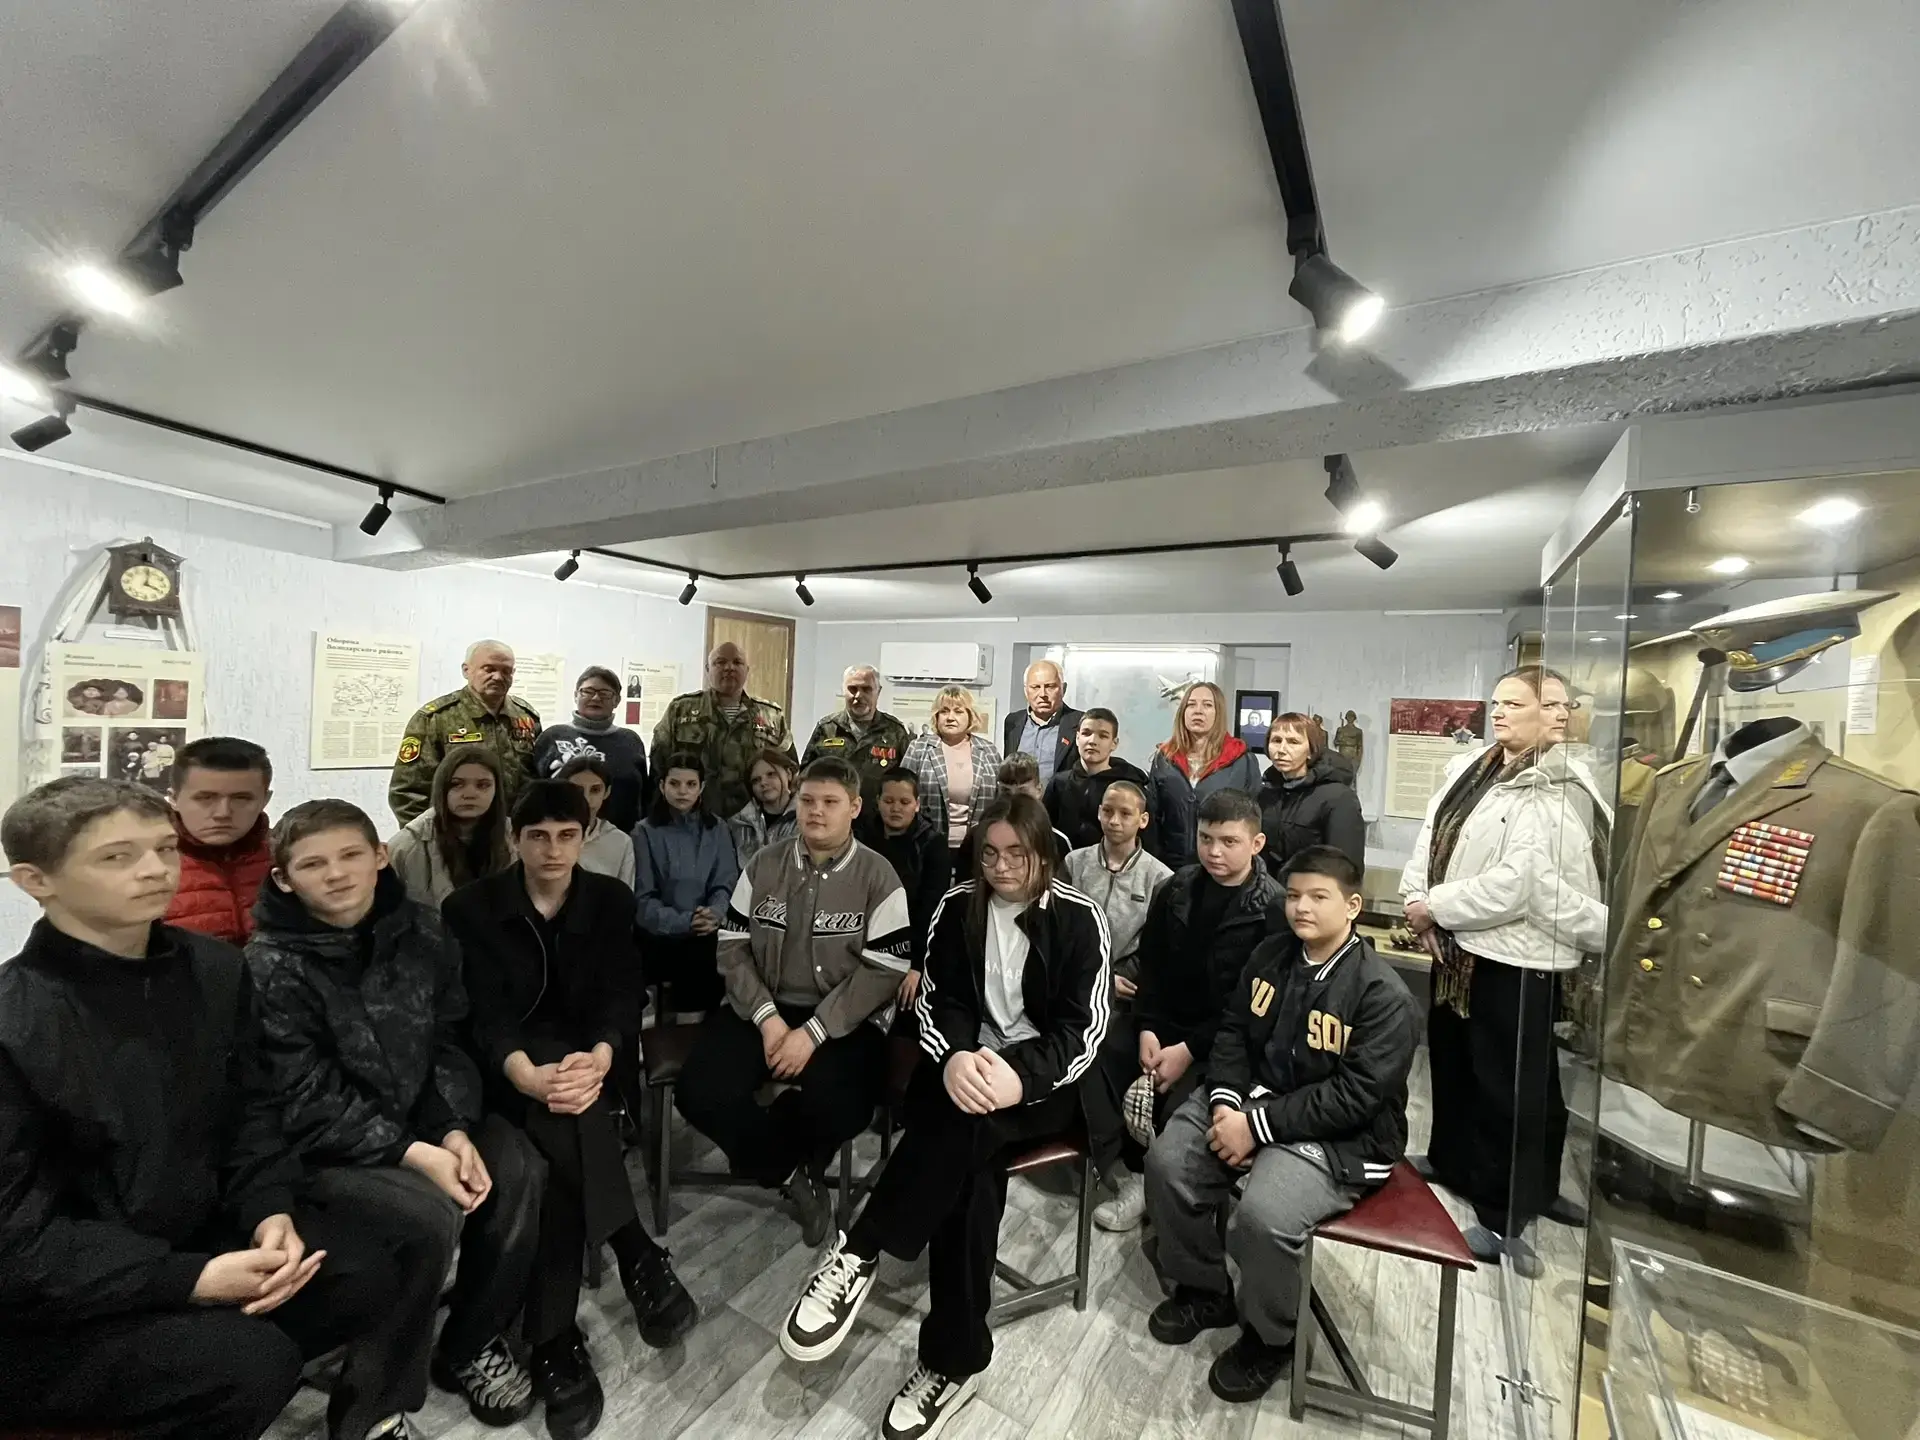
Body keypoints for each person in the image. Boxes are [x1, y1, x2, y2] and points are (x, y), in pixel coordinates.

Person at [0, 778, 435, 1440]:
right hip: (68, 1292)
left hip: (194, 1229)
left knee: (366, 1269)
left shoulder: (214, 970)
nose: (156, 869)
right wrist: (191, 1280)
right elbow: (19, 1243)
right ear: (36, 881)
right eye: (117, 857)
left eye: (163, 847)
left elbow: (251, 1110)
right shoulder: (17, 1021)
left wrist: (269, 1210)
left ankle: (350, 1411)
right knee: (251, 1365)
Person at [778, 794, 1110, 1440]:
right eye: (989, 854)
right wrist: (957, 1055)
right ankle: (953, 1363)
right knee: (970, 1175)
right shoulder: (958, 906)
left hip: (1045, 1081)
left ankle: (861, 1249)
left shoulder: (1080, 917)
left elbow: (1085, 1029)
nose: (1001, 867)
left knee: (967, 1129)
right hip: (963, 1065)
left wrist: (1017, 1076)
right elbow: (937, 1000)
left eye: (1017, 854)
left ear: (1044, 854)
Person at [246, 799, 545, 1427]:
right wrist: (413, 1153)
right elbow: (303, 1093)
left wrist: (451, 1129)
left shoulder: (424, 931)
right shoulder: (271, 965)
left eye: (351, 855)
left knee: (518, 1168)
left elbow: (449, 1038)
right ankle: (375, 1407)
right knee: (427, 1217)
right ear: (283, 878)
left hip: (426, 1117)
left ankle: (471, 1340)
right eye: (313, 864)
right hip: (329, 1147)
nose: (337, 874)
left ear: (381, 856)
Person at [443, 782, 695, 1438]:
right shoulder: (471, 908)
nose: (552, 850)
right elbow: (481, 1014)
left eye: (566, 836)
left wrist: (605, 1055)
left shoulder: (609, 900)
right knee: (567, 1124)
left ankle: (554, 1342)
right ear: (513, 838)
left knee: (563, 1144)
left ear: (586, 838)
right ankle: (635, 1250)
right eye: (537, 836)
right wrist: (525, 1074)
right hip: (509, 1073)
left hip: (588, 1066)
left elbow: (622, 991)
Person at [1144, 846, 1417, 1403]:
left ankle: (1273, 1337)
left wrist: (1257, 1128)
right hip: (1253, 1100)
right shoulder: (1271, 954)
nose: (1301, 908)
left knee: (1264, 1216)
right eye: (1293, 895)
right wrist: (1225, 1106)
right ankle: (1204, 1288)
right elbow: (1232, 1033)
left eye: (1319, 897)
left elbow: (1356, 1097)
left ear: (1352, 906)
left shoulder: (1383, 994)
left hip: (1341, 1135)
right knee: (1167, 1162)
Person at [1398, 666, 1610, 1264]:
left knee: (1512, 1090)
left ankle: (1506, 1211)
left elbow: (1521, 884)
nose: (1498, 713)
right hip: (1459, 951)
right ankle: (1450, 1161)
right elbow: (1430, 839)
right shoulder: (1476, 768)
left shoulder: (1557, 786)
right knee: (1455, 1064)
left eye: (1514, 704)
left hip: (1516, 958)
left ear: (1555, 713)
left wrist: (1435, 907)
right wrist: (1418, 904)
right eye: (1497, 702)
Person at [676, 757, 914, 1246]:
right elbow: (732, 947)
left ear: (855, 807)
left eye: (830, 802)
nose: (816, 811)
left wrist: (813, 1033)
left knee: (844, 1106)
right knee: (698, 1092)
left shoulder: (879, 875)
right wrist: (768, 1021)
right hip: (762, 1005)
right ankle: (790, 1171)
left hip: (844, 1017)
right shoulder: (764, 864)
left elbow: (884, 970)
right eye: (807, 800)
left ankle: (777, 1140)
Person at [1087, 789, 1284, 1232]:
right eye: (1206, 838)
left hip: (1224, 1041)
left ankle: (1171, 1194)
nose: (1214, 851)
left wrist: (1189, 1050)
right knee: (1093, 1058)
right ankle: (1126, 1174)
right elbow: (1152, 968)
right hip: (1163, 1023)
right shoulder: (1175, 887)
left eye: (1229, 842)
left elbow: (1254, 1009)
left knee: (1181, 1110)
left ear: (1256, 843)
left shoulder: (1272, 909)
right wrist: (1148, 1028)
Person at [632, 751, 741, 1014]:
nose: (683, 791)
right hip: (660, 935)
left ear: (701, 787)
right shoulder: (643, 832)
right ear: (662, 786)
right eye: (675, 783)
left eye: (691, 784)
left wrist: (715, 913)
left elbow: (725, 883)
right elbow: (643, 897)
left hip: (708, 932)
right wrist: (685, 921)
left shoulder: (718, 829)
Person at [389, 640, 541, 827]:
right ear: (466, 670)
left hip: (516, 832)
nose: (497, 677)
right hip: (457, 834)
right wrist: (429, 837)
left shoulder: (526, 717)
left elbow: (536, 781)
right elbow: (407, 792)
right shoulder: (436, 718)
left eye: (506, 671)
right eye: (488, 669)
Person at [651, 641, 796, 821]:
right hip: (691, 820)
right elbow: (658, 767)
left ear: (747, 670)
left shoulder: (771, 716)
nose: (729, 667)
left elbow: (790, 771)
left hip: (754, 823)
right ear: (707, 669)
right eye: (720, 662)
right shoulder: (680, 710)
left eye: (737, 662)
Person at [1062, 779, 1172, 1006]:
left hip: (1124, 990)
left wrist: (1115, 978)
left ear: (1143, 820)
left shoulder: (1160, 877)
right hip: (1070, 981)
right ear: (1099, 812)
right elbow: (1057, 925)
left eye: (1125, 814)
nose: (1114, 821)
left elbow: (1156, 944)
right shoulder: (1074, 863)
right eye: (1108, 811)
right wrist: (1088, 975)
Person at [165, 735, 275, 944]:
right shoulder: (144, 864)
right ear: (173, 798)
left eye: (241, 798)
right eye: (205, 798)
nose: (222, 813)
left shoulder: (289, 857)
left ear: (265, 800)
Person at [854, 766, 953, 991]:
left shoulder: (933, 845)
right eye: (888, 801)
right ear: (878, 801)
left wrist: (917, 965)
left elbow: (931, 910)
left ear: (917, 804)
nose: (896, 808)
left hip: (912, 945)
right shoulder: (860, 837)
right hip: (861, 940)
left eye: (904, 802)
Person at [1148, 681, 1263, 867]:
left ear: (1219, 713)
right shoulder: (1164, 758)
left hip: (1222, 864)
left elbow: (1253, 819)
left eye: (1207, 705)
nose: (1198, 711)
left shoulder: (1242, 760)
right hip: (1170, 865)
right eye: (1191, 705)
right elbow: (1153, 816)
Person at [386, 748, 513, 908]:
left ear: (497, 790)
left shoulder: (517, 839)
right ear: (441, 788)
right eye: (456, 784)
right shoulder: (406, 847)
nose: (469, 794)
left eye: (483, 785)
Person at [533, 666, 651, 834]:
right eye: (587, 691)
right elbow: (534, 792)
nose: (596, 698)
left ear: (617, 700)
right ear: (576, 695)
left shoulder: (630, 740)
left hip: (622, 838)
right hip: (560, 836)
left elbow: (644, 796)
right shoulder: (552, 737)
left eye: (605, 693)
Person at [1257, 711, 1367, 876]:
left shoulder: (1338, 798)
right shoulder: (1266, 793)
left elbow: (1346, 868)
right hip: (1269, 888)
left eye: (1293, 742)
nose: (1281, 750)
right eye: (1276, 740)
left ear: (1311, 750)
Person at [902, 686, 1003, 858]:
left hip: (977, 846)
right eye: (944, 711)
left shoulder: (988, 751)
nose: (950, 717)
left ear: (970, 716)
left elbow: (1001, 800)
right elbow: (902, 795)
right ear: (936, 716)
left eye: (958, 711)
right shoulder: (918, 749)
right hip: (927, 845)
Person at [803, 664, 914, 808]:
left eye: (866, 689)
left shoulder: (895, 731)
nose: (859, 696)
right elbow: (806, 776)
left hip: (878, 817)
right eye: (852, 689)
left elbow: (907, 781)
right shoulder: (827, 728)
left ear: (878, 691)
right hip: (834, 814)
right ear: (844, 690)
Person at [1042, 707, 1151, 851]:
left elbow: (1148, 840)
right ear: (1077, 738)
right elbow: (1044, 832)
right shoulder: (1059, 783)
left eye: (1103, 736)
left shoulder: (1131, 788)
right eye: (1086, 733)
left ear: (1114, 743)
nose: (1092, 741)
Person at [955, 753, 1070, 876]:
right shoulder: (976, 836)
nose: (1014, 798)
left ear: (1039, 790)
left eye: (1022, 791)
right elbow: (965, 882)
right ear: (997, 790)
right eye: (1006, 791)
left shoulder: (1056, 841)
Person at [555, 754, 637, 886]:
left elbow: (625, 893)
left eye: (595, 790)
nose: (586, 798)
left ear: (607, 792)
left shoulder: (620, 842)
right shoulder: (545, 835)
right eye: (577, 790)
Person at [1002, 658, 1084, 789]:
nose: (1042, 694)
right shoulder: (1012, 722)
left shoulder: (1080, 722)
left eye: (1050, 687)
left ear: (1063, 689)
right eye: (1035, 687)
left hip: (1061, 800)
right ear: (1026, 690)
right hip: (1018, 800)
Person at [727, 747, 800, 868]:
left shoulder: (806, 818)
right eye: (756, 780)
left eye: (771, 774)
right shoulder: (739, 824)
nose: (763, 783)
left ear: (788, 774)